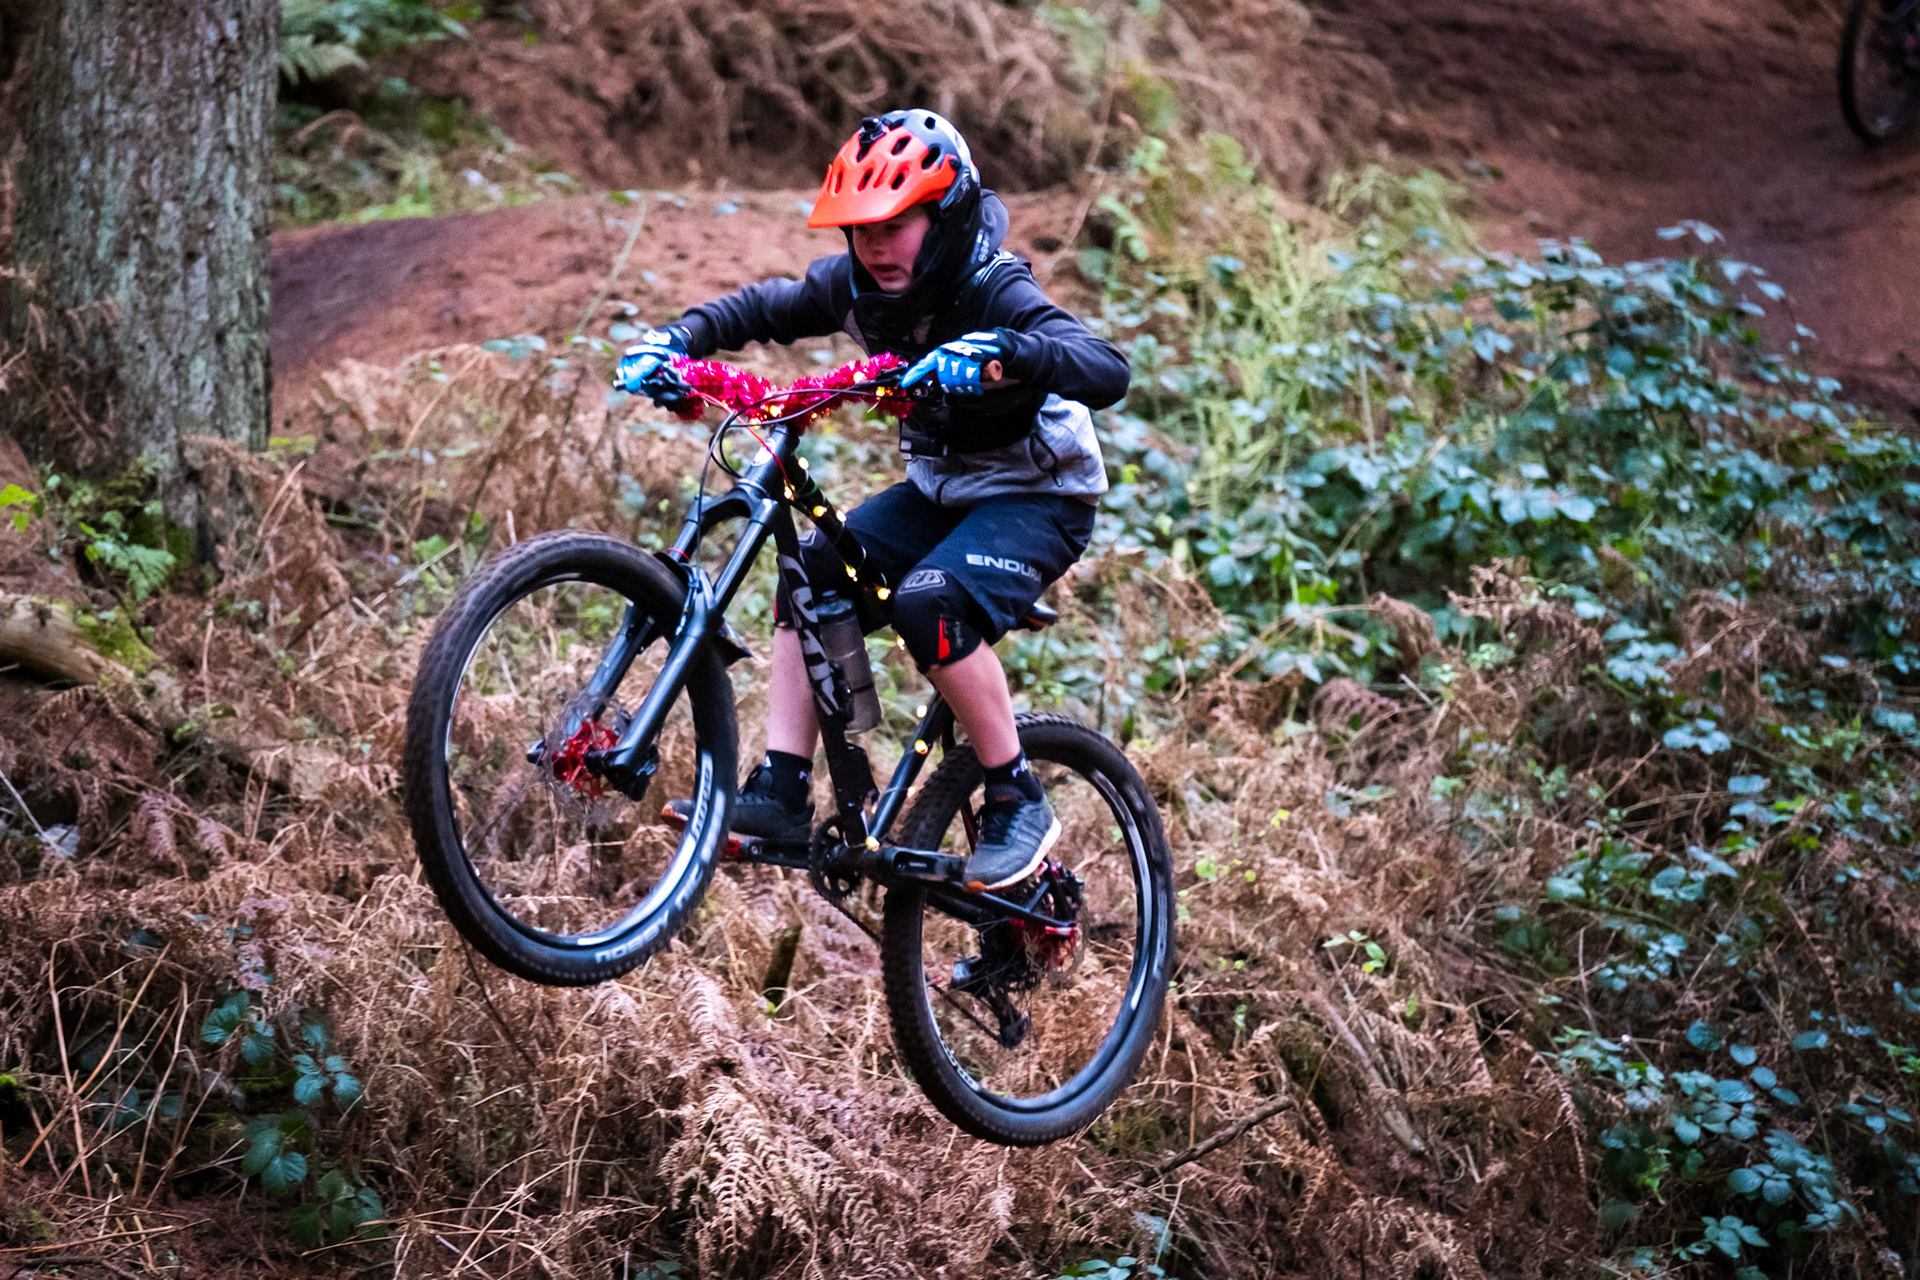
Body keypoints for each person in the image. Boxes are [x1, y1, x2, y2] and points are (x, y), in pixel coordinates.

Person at [615, 110, 1129, 890]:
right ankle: (782, 790)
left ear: (946, 221)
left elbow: (1106, 367)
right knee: (809, 573)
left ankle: (1015, 794)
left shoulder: (994, 289)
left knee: (929, 601)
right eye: (860, 230)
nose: (876, 246)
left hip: (1039, 497)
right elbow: (763, 307)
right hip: (942, 491)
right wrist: (675, 340)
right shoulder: (857, 289)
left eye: (896, 225)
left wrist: (1009, 352)